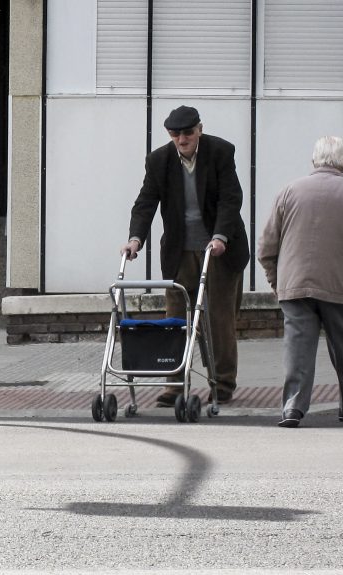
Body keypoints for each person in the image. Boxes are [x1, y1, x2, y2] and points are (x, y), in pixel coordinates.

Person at [257, 136, 343, 428]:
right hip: (337, 285)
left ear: (314, 161)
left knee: (297, 347)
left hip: (294, 284)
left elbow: (266, 245)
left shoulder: (289, 192)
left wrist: (276, 281)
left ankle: (293, 407)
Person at [121, 105, 249, 407]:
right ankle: (174, 383)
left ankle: (223, 383)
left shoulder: (220, 152)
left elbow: (231, 199)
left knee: (219, 319)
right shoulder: (159, 161)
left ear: (199, 130)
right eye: (175, 134)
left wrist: (219, 237)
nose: (182, 139)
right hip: (180, 251)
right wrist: (135, 239)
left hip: (218, 251)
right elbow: (146, 202)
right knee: (175, 318)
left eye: (188, 133)